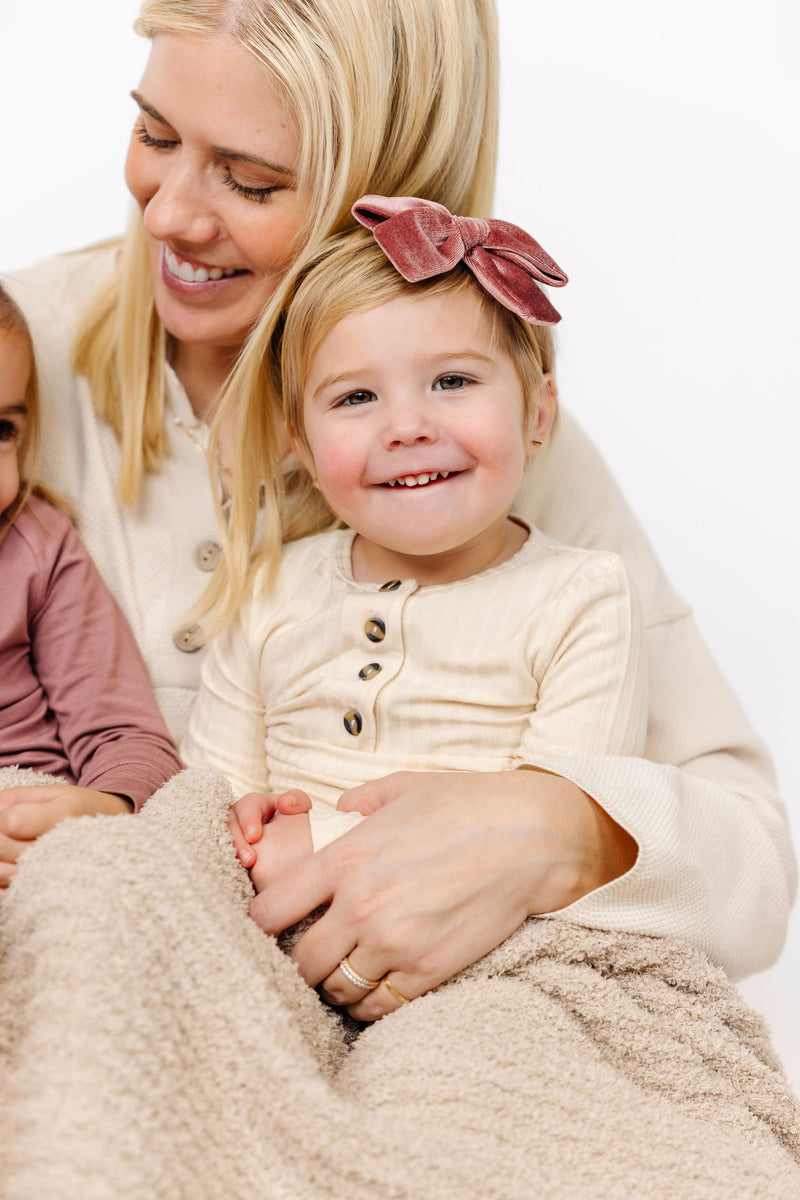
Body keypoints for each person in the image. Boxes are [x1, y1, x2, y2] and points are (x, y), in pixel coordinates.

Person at [0, 0, 792, 1003]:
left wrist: (555, 826)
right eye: (154, 134)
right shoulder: (18, 362)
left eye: (250, 180)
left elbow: (751, 863)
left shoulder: (487, 444)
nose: (168, 214)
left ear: (386, 203)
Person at [183, 200, 650, 942]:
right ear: (298, 442)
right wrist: (234, 828)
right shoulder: (276, 590)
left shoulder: (580, 598)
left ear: (537, 413)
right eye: (357, 397)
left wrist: (319, 847)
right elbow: (208, 800)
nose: (407, 427)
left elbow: (547, 836)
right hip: (268, 931)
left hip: (488, 947)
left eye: (453, 382)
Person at [0, 285, 182, 886]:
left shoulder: (39, 547)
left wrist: (102, 808)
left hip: (32, 827)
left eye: (1, 430)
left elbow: (127, 736)